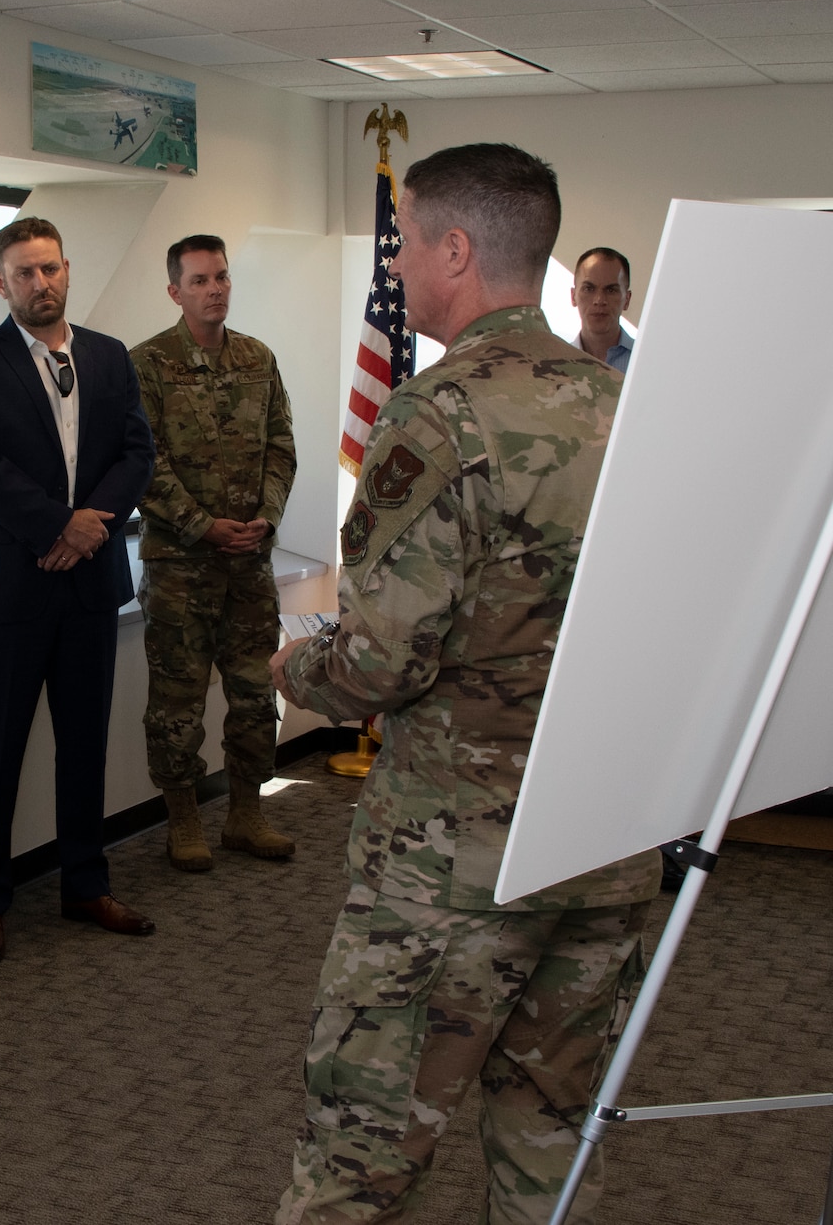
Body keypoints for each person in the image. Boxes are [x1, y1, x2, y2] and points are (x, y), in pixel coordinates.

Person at [269, 144, 661, 1224]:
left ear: (454, 248)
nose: (392, 265)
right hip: (602, 839)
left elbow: (380, 659)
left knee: (357, 1154)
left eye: (399, 241)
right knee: (547, 1142)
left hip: (450, 864)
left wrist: (291, 666)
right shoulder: (633, 406)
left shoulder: (436, 414)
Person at [0, 216, 157, 964]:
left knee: (86, 744)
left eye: (51, 269)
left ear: (68, 270)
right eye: (24, 273)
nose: (41, 283)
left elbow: (136, 450)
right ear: (1, 284)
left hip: (89, 587)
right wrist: (61, 526)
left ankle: (85, 883)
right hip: (6, 589)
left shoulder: (108, 355)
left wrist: (94, 527)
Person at [130, 234, 297, 874]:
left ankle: (247, 814)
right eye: (200, 280)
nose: (215, 289)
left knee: (258, 692)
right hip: (179, 566)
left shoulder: (258, 358)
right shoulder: (147, 363)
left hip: (249, 563)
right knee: (178, 702)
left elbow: (281, 447)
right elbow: (144, 461)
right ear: (176, 291)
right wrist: (203, 526)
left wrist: (266, 517)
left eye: (222, 277)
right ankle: (184, 820)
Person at [572, 245, 637, 372]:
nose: (599, 300)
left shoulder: (646, 360)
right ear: (573, 296)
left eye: (611, 290)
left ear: (627, 300)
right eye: (589, 289)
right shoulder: (555, 363)